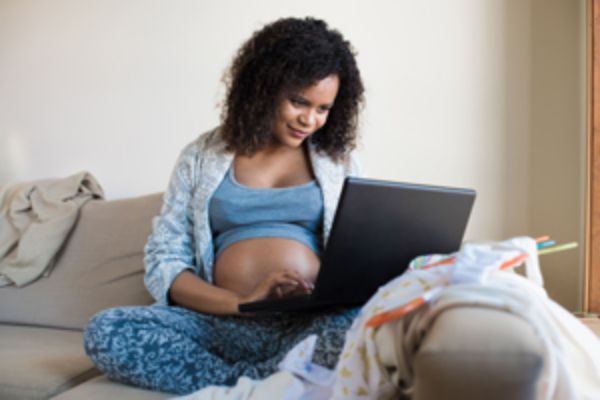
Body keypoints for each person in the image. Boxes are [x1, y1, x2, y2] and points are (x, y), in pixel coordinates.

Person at [83, 16, 365, 395]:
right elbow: (164, 260)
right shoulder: (201, 156)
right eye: (299, 101)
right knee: (107, 331)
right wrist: (241, 302)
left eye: (323, 108)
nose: (309, 120)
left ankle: (243, 386)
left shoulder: (339, 161)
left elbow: (358, 255)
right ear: (264, 87)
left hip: (307, 325)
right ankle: (273, 383)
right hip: (220, 323)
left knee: (363, 326)